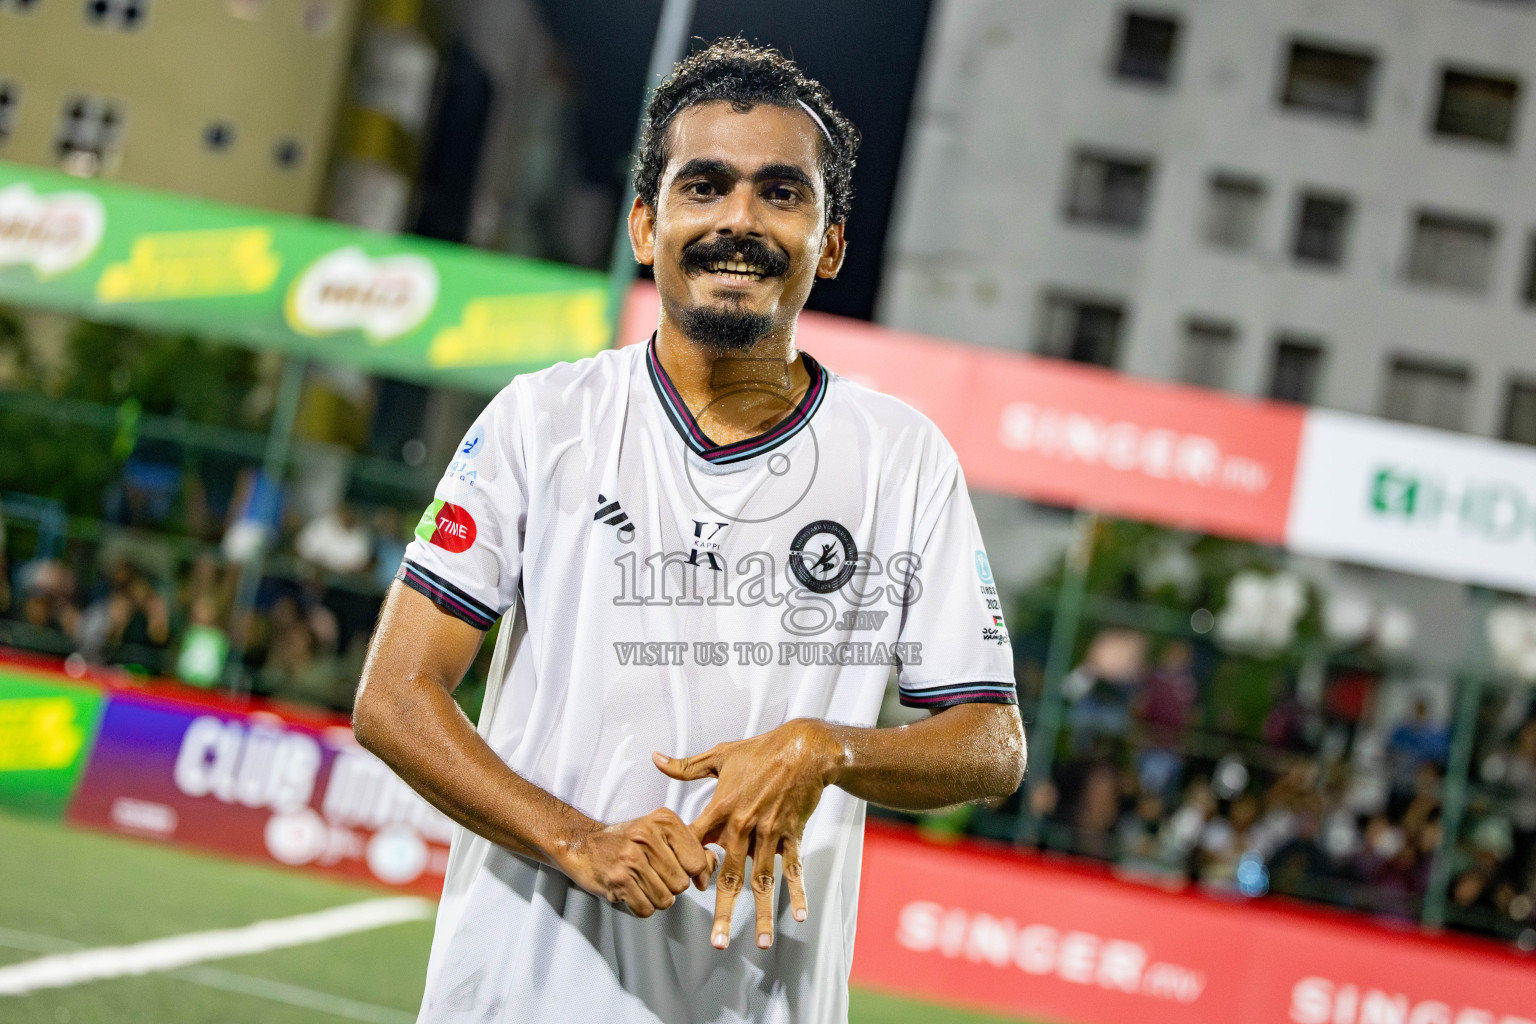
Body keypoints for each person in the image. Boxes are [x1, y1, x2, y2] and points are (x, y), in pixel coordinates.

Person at [353, 39, 1026, 1024]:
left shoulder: (900, 457)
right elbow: (393, 696)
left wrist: (823, 749)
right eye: (703, 185)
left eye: (782, 193)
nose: (739, 221)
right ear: (645, 224)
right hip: (512, 994)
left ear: (831, 244)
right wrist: (578, 839)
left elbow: (991, 744)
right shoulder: (542, 419)